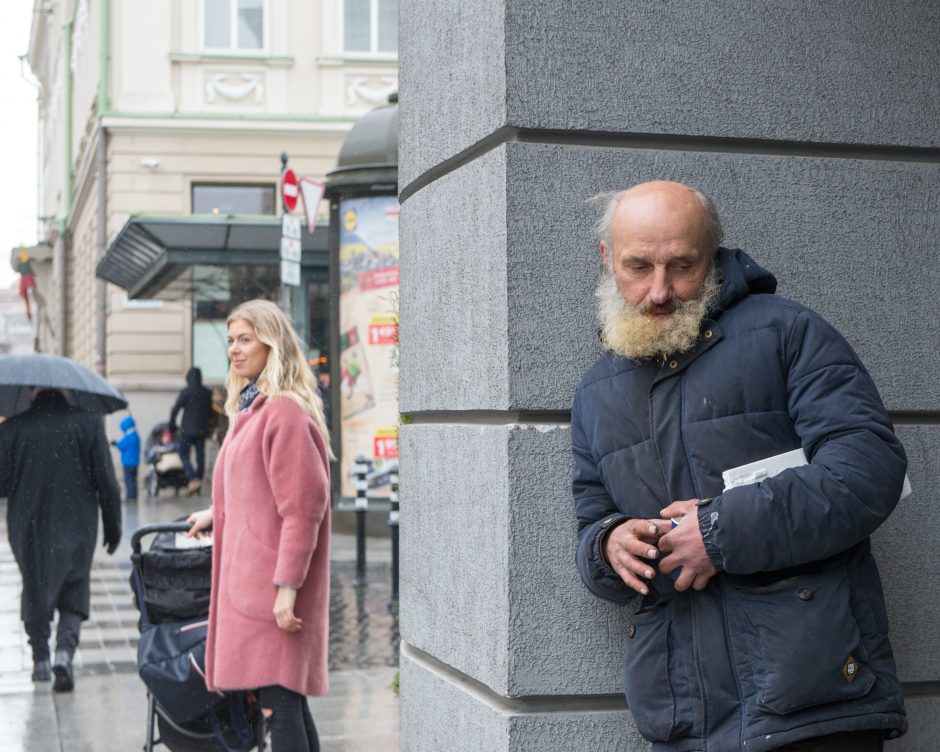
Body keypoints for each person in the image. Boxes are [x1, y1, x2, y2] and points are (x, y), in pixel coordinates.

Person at [572, 180, 907, 751]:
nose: (659, 291)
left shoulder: (790, 333)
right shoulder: (595, 392)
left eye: (682, 266)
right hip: (685, 720)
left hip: (813, 707)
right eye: (638, 267)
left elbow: (870, 470)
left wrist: (719, 532)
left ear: (715, 255)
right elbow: (590, 522)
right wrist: (609, 547)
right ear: (607, 259)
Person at [186, 299, 332, 751]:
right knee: (284, 703)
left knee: (277, 706)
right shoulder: (250, 409)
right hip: (253, 588)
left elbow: (303, 507)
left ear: (271, 343)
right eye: (231, 340)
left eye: (245, 339)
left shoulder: (282, 412)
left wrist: (287, 586)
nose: (234, 349)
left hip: (270, 593)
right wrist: (217, 513)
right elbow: (259, 487)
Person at [0, 388, 122, 692]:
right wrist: (113, 524)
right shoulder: (88, 423)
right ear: (65, 390)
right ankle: (64, 654)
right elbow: (106, 480)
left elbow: (1, 483)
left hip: (27, 522)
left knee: (35, 583)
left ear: (31, 392)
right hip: (76, 520)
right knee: (75, 585)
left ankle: (40, 657)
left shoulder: (14, 426)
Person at [169, 367, 215, 495]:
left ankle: (193, 478)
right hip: (202, 430)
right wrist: (210, 427)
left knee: (183, 454)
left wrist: (171, 426)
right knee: (201, 457)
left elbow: (175, 409)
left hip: (187, 430)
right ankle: (198, 480)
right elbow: (211, 413)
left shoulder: (186, 392)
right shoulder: (207, 393)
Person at [112, 414, 141, 501]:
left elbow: (121, 445)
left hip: (128, 462)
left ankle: (130, 497)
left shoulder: (129, 437)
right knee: (133, 480)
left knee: (129, 480)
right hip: (135, 462)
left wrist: (115, 443)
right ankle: (134, 495)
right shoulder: (136, 436)